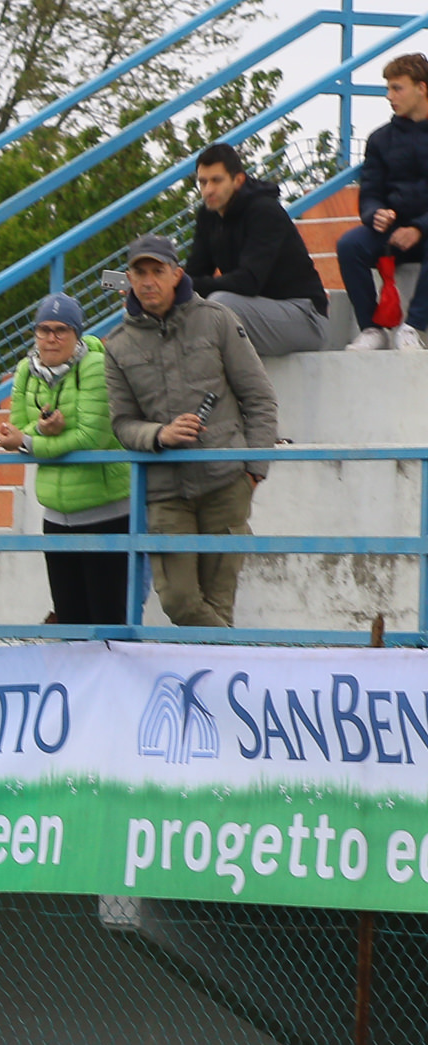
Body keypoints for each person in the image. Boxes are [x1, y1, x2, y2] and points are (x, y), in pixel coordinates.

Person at [105, 232, 278, 629]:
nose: (148, 281)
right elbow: (122, 424)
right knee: (180, 603)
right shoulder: (117, 345)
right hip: (165, 493)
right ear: (129, 279)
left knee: (219, 603)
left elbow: (260, 398)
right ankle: (245, 655)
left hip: (226, 485)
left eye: (157, 271)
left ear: (176, 274)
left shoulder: (217, 320)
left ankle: (224, 663)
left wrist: (254, 471)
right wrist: (159, 435)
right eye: (139, 273)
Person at [0, 296, 133, 627]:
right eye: (43, 330)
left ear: (77, 334)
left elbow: (92, 438)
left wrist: (30, 440)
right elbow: (17, 428)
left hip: (106, 513)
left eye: (61, 330)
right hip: (57, 516)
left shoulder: (96, 366)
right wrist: (42, 430)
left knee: (108, 622)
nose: (51, 338)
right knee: (70, 621)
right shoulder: (26, 370)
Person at [182, 143, 330, 356]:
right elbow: (195, 272)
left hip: (305, 317)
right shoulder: (209, 215)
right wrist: (170, 287)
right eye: (203, 182)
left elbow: (248, 281)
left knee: (219, 305)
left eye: (216, 180)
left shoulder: (264, 211)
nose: (208, 190)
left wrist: (185, 285)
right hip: (256, 312)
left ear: (238, 180)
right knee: (176, 304)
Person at [341, 52, 428, 350]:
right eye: (388, 88)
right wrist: (375, 213)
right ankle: (371, 329)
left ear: (422, 88)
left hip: (424, 231)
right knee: (350, 245)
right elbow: (370, 192)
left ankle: (413, 327)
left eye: (397, 88)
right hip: (392, 231)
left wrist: (419, 228)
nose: (389, 96)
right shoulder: (380, 139)